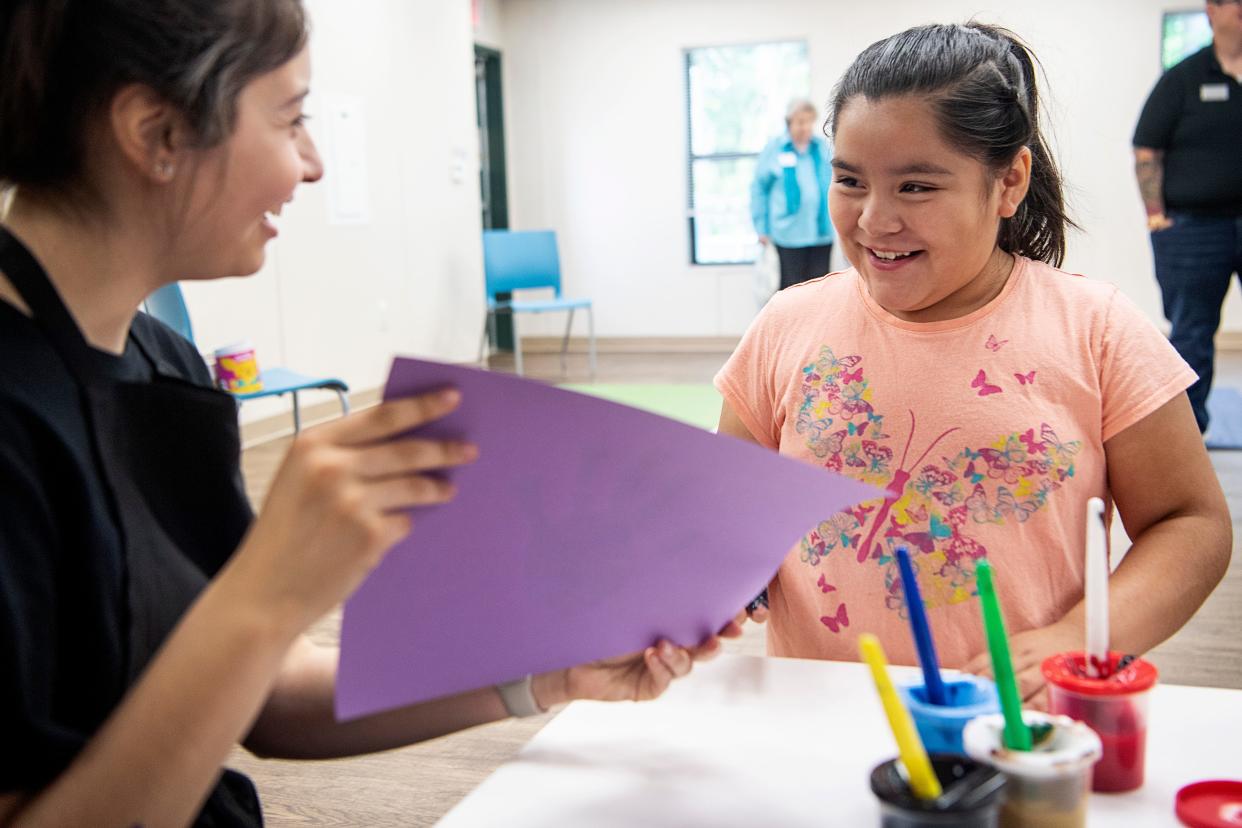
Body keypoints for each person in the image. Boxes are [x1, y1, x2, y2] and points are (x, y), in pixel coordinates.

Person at [0, 2, 736, 825]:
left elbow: (269, 698)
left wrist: (543, 672)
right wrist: (268, 591)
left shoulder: (162, 363)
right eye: (291, 120)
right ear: (156, 132)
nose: (311, 165)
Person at [718, 23, 1231, 704]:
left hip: (1014, 727)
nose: (873, 220)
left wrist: (1079, 635)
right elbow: (728, 511)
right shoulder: (786, 324)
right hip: (816, 714)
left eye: (917, 187)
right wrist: (727, 572)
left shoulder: (1096, 330)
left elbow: (1191, 524)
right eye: (849, 180)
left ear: (1008, 181)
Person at [1133, 0, 1242, 436]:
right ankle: (1187, 437)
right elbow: (1146, 151)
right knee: (1192, 337)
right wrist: (1156, 217)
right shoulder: (1183, 78)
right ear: (1212, 11)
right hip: (1194, 229)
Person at [750, 98, 836, 290]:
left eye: (809, 122)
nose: (806, 127)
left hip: (820, 233)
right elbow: (759, 190)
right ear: (789, 122)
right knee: (792, 292)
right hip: (788, 234)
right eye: (801, 122)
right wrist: (761, 227)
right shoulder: (775, 149)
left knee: (821, 292)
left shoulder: (821, 148)